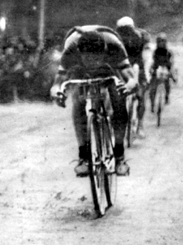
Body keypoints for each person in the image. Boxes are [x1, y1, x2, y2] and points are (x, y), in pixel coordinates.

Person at [50, 25, 138, 177]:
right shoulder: (71, 50)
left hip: (109, 68)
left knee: (118, 99)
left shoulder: (114, 47)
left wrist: (128, 87)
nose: (93, 63)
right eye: (89, 58)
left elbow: (132, 80)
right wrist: (58, 93)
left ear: (104, 51)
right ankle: (83, 157)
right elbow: (57, 84)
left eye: (97, 58)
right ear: (80, 53)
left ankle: (119, 156)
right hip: (80, 70)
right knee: (78, 100)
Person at [115, 16, 151, 138]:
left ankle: (134, 124)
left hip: (124, 69)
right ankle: (140, 125)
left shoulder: (116, 37)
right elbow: (146, 55)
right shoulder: (140, 35)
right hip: (135, 69)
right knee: (141, 96)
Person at [149, 33, 174, 109]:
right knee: (153, 86)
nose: (161, 43)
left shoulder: (168, 52)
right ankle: (152, 104)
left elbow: (170, 63)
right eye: (159, 41)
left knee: (168, 81)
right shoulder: (155, 52)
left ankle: (167, 96)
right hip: (157, 68)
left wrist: (170, 72)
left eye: (163, 41)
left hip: (165, 67)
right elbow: (153, 62)